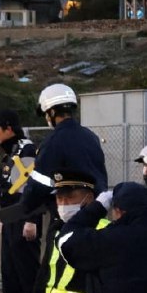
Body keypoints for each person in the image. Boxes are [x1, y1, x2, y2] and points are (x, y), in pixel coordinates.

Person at [21, 83, 108, 215]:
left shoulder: (53, 141)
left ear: (52, 112)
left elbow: (38, 183)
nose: (46, 119)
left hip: (70, 208)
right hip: (97, 207)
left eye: (46, 114)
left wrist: (24, 206)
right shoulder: (91, 136)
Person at [0, 109, 43, 293]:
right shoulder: (10, 152)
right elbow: (10, 189)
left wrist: (32, 220)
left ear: (8, 128)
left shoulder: (26, 149)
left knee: (28, 275)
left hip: (24, 219)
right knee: (9, 274)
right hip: (11, 218)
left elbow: (33, 187)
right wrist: (3, 218)